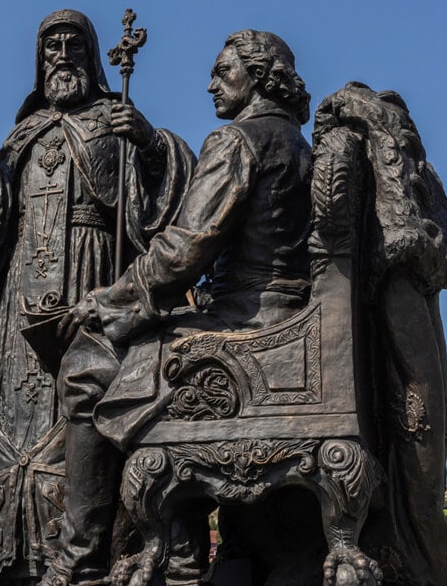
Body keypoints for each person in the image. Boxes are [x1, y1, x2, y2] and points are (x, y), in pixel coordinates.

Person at [41, 29, 313, 586]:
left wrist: (106, 301)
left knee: (85, 369)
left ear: (258, 77)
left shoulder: (239, 140)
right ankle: (184, 549)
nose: (212, 84)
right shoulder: (297, 144)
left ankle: (80, 561)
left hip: (248, 323)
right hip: (292, 320)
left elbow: (182, 251)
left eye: (223, 71)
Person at [0, 9, 194, 586]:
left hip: (90, 282)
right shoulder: (20, 137)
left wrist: (152, 145)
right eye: (51, 45)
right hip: (19, 305)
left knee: (81, 411)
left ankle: (84, 556)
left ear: (91, 55)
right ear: (39, 61)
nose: (62, 54)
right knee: (17, 420)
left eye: (73, 44)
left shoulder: (114, 120)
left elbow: (167, 208)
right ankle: (11, 557)